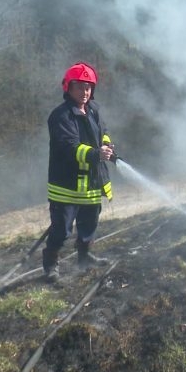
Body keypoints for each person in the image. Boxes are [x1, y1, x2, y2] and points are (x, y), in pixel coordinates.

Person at [42, 61, 114, 281]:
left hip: (91, 184)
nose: (85, 92)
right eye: (80, 87)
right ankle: (51, 265)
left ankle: (85, 257)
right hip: (66, 187)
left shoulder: (95, 111)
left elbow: (103, 134)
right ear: (69, 88)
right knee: (61, 230)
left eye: (88, 87)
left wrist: (109, 147)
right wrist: (95, 154)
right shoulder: (61, 116)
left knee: (89, 224)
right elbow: (70, 146)